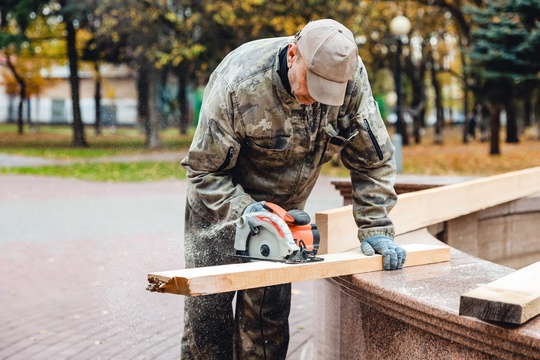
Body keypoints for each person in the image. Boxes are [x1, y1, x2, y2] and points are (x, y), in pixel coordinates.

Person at [180, 18, 407, 360]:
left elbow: (373, 161)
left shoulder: (349, 79)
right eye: (311, 84)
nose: (315, 98)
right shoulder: (239, 83)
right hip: (218, 207)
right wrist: (246, 212)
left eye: (327, 90)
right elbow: (203, 171)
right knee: (208, 319)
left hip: (281, 215)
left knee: (265, 322)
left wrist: (375, 228)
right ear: (292, 56)